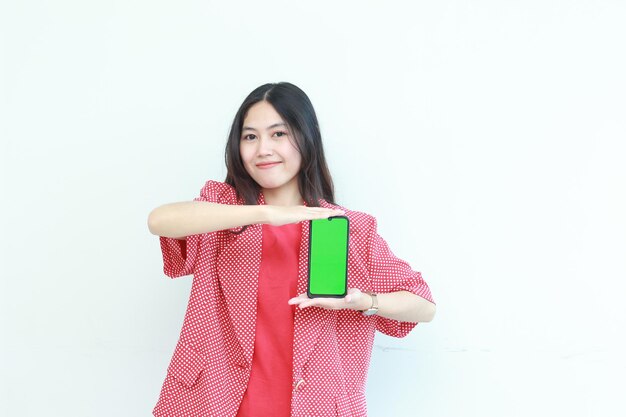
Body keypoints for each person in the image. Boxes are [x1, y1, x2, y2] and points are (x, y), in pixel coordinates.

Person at [147, 82, 436, 417]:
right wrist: (266, 213)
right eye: (250, 137)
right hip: (216, 404)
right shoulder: (222, 211)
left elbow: (423, 306)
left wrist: (364, 302)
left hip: (318, 406)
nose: (263, 149)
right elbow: (159, 220)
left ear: (305, 138)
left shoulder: (347, 227)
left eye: (278, 134)